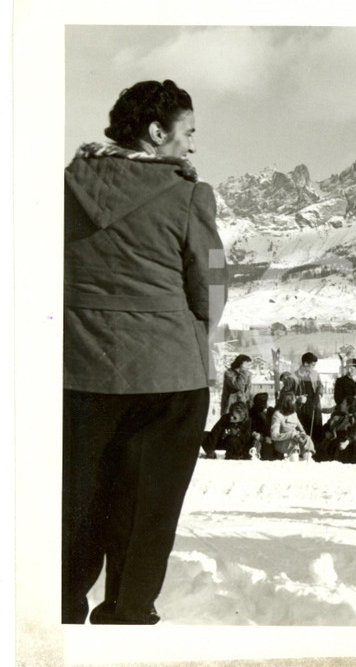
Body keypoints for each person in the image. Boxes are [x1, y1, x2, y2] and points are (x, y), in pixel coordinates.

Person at [63, 80, 226, 624]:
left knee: (74, 508)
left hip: (77, 373)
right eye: (188, 132)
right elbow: (214, 286)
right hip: (167, 380)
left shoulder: (63, 187)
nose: (192, 146)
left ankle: (56, 622)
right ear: (157, 133)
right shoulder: (187, 195)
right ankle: (127, 622)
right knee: (144, 515)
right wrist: (185, 336)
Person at [270, 392, 316, 462]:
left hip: (296, 440)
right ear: (288, 402)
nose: (295, 403)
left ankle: (307, 460)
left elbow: (301, 429)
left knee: (307, 439)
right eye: (294, 401)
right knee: (292, 443)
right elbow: (274, 436)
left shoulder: (293, 413)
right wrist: (291, 435)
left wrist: (302, 435)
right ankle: (294, 462)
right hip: (282, 443)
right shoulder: (277, 415)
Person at [294, 352, 325, 446]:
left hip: (314, 404)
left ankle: (316, 452)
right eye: (312, 365)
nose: (313, 368)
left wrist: (319, 394)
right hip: (302, 406)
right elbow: (287, 394)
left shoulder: (315, 374)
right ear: (305, 364)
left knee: (317, 428)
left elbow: (320, 386)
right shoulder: (294, 376)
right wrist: (297, 398)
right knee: (304, 428)